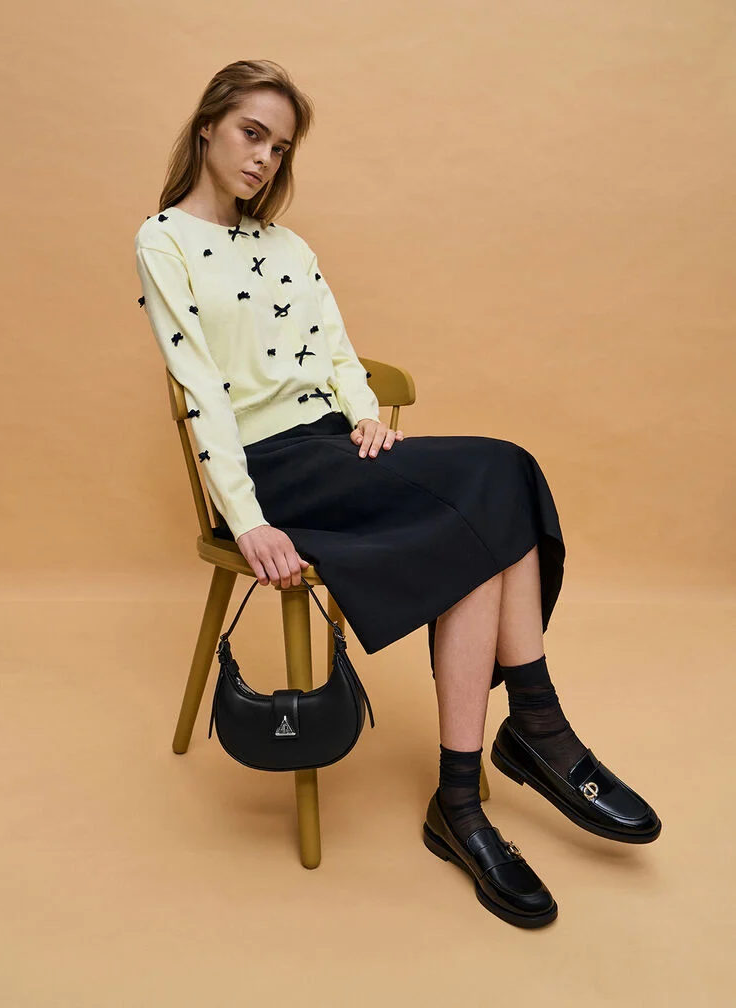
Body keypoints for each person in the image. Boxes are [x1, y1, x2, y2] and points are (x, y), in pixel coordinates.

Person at [134, 59, 661, 928]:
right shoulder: (164, 240)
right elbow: (199, 390)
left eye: (279, 146)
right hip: (270, 470)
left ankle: (482, 776)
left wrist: (366, 417)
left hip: (334, 449)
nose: (263, 158)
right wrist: (246, 518)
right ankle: (528, 740)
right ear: (207, 128)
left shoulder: (289, 246)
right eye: (251, 134)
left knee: (505, 471)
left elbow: (338, 351)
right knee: (489, 507)